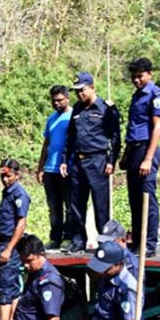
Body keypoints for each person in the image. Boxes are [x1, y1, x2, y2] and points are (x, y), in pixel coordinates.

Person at [59, 71, 121, 253]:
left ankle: (105, 242)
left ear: (92, 87)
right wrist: (65, 160)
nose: (80, 94)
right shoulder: (77, 109)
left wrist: (111, 161)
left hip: (98, 160)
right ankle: (79, 240)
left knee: (101, 205)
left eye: (83, 90)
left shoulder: (106, 108)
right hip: (78, 162)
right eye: (77, 91)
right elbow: (70, 137)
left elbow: (116, 137)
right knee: (77, 204)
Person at [121, 57, 160, 258]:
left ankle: (149, 244)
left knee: (147, 198)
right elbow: (132, 128)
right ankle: (138, 242)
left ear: (150, 74)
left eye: (140, 76)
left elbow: (157, 127)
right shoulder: (137, 96)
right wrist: (125, 155)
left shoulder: (156, 96)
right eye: (133, 77)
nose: (136, 80)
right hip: (133, 149)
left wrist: (148, 158)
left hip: (146, 149)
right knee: (134, 199)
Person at [0, 158, 30, 320]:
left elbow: (21, 224)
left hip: (10, 244)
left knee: (5, 284)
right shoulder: (7, 192)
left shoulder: (19, 195)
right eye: (3, 176)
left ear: (17, 175)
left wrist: (8, 249)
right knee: (11, 284)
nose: (5, 179)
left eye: (8, 176)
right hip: (3, 241)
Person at [36, 85, 73, 251]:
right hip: (50, 169)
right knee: (54, 208)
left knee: (70, 206)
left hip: (66, 169)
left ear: (67, 98)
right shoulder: (51, 118)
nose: (56, 103)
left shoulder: (73, 117)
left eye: (59, 100)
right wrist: (40, 167)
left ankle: (69, 237)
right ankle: (55, 238)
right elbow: (46, 143)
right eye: (53, 101)